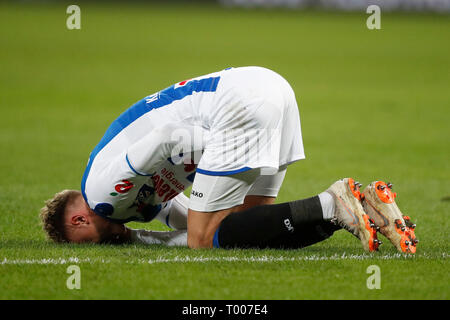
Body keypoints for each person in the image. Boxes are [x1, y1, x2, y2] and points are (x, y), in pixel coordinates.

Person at [40, 66, 417, 253]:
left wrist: (218, 148)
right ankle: (360, 208)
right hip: (271, 87)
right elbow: (183, 218)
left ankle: (333, 202)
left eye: (83, 240)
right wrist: (140, 236)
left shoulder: (106, 192)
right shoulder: (125, 202)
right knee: (246, 230)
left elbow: (167, 137)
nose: (95, 247)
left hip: (236, 108)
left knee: (203, 242)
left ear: (78, 219)